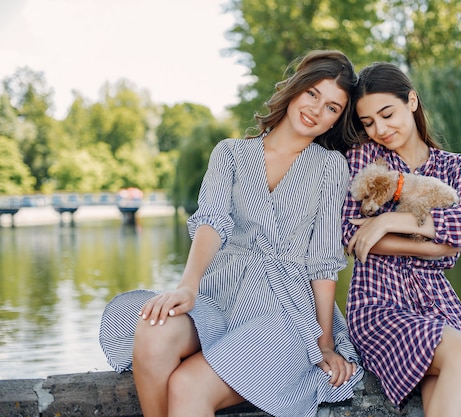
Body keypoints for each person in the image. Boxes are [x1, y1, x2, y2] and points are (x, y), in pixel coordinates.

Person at [99, 50, 364, 417]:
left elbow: (322, 261)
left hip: (283, 310)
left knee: (188, 386)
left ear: (336, 120)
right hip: (220, 293)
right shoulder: (230, 154)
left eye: (333, 108)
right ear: (295, 90)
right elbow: (212, 222)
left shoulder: (331, 167)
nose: (318, 110)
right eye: (313, 94)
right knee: (153, 330)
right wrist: (188, 286)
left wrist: (325, 341)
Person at [341, 61, 461, 417]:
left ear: (411, 101)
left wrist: (389, 221)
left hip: (437, 303)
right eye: (368, 122)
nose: (380, 128)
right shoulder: (365, 157)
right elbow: (349, 233)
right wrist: (436, 246)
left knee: (450, 388)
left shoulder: (455, 166)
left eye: (387, 113)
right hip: (378, 302)